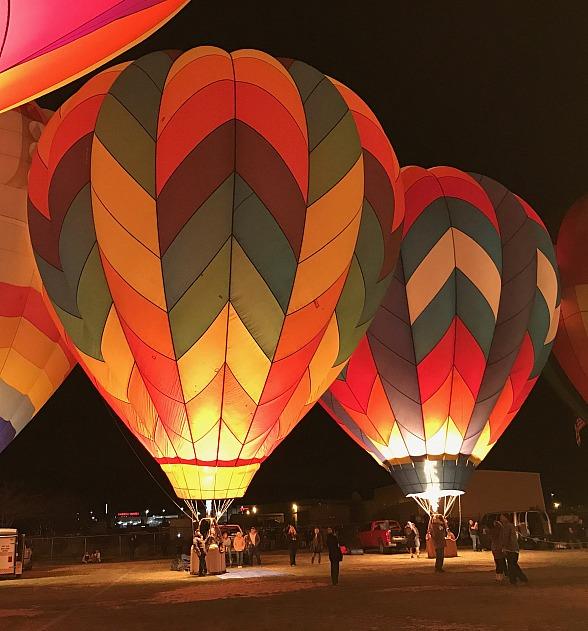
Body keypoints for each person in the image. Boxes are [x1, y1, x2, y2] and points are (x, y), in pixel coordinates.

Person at [499, 513, 528, 585]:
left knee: (512, 565)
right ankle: (514, 579)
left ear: (506, 518)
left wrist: (504, 547)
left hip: (511, 549)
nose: (500, 518)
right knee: (513, 564)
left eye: (502, 517)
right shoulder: (509, 526)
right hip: (513, 548)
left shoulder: (507, 526)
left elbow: (507, 538)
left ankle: (520, 579)